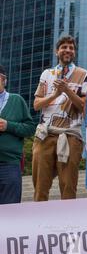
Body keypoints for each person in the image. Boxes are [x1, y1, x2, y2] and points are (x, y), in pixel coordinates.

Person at [33, 36, 87, 201]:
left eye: (71, 48)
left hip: (71, 135)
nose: (68, 50)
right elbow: (37, 104)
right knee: (40, 186)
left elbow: (83, 107)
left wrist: (67, 91)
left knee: (68, 186)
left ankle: (68, 223)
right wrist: (56, 94)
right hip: (45, 134)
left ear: (74, 52)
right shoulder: (47, 74)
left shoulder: (83, 74)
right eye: (64, 47)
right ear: (57, 51)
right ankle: (38, 222)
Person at [0, 65, 35, 204]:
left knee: (10, 211)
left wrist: (8, 125)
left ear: (4, 80)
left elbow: (30, 128)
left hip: (9, 164)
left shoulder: (17, 100)